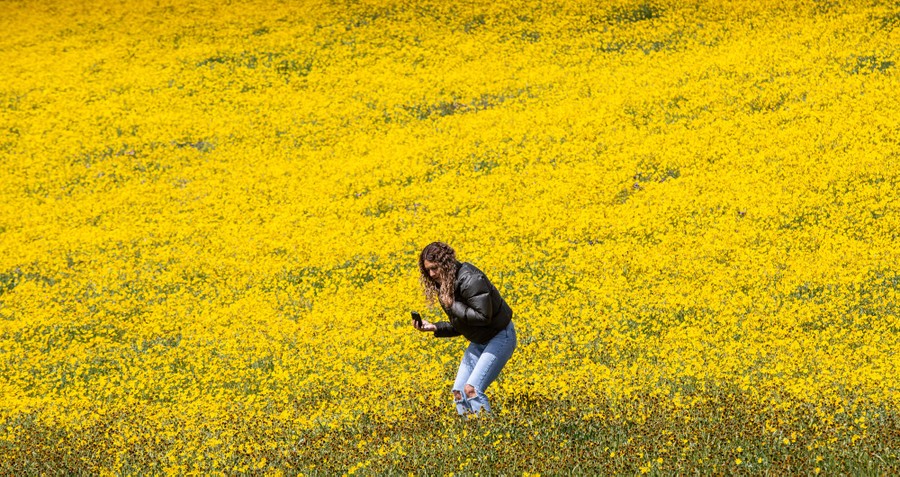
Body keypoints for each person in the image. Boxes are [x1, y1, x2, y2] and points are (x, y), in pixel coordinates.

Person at [412, 241, 517, 415]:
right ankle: (471, 435)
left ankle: (487, 435)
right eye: (427, 270)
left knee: (472, 390)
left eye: (435, 268)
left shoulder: (471, 279)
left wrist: (452, 304)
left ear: (447, 264)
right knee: (459, 393)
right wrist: (434, 327)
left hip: (500, 336)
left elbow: (483, 317)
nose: (431, 274)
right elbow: (462, 324)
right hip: (479, 340)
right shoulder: (445, 284)